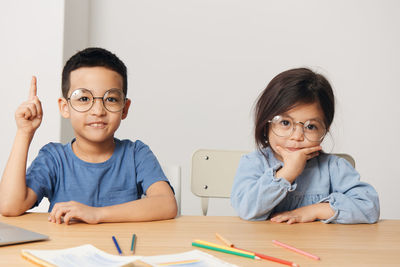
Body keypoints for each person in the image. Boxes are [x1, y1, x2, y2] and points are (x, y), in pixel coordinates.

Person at [0, 47, 177, 224]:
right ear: (64, 107)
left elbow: (166, 204)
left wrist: (96, 214)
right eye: (84, 99)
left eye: (111, 99)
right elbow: (9, 206)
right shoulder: (53, 158)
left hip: (120, 248)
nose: (98, 111)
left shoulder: (136, 154)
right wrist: (24, 132)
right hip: (65, 248)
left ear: (125, 108)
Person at [231, 68, 379, 224]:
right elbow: (246, 209)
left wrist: (315, 210)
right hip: (267, 245)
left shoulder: (333, 167)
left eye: (310, 126)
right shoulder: (253, 163)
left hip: (315, 247)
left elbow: (369, 207)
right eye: (285, 123)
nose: (297, 136)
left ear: (324, 130)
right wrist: (287, 173)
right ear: (266, 124)